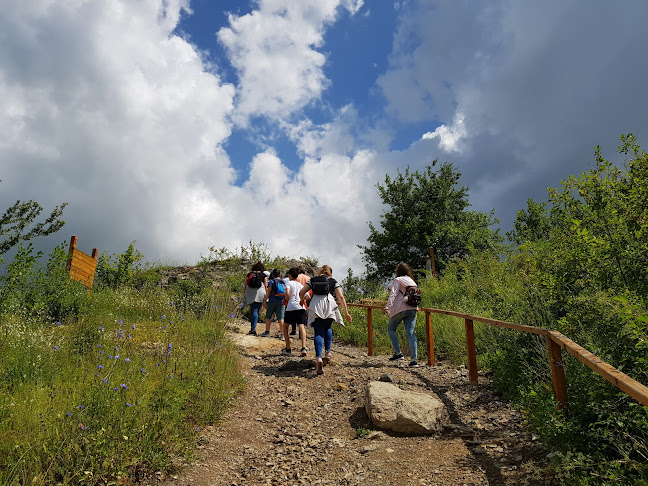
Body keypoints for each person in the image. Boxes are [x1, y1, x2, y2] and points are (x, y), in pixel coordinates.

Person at [299, 265, 352, 375]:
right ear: (330, 273)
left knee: (318, 331)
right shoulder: (332, 281)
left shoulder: (313, 280)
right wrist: (346, 313)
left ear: (320, 272)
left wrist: (301, 301)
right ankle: (327, 352)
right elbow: (341, 297)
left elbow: (302, 292)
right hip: (329, 304)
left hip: (316, 305)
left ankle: (318, 357)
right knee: (328, 327)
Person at [383, 262, 419, 367]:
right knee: (411, 333)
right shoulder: (412, 281)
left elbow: (394, 293)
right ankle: (414, 360)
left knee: (391, 329)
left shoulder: (398, 280)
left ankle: (398, 353)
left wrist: (387, 306)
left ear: (397, 271)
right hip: (412, 308)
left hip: (400, 309)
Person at [284, 268, 308, 356]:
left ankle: (288, 348)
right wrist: (302, 300)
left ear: (290, 275)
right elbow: (307, 296)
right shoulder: (300, 285)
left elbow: (287, 294)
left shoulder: (288, 283)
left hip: (291, 306)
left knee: (285, 326)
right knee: (301, 326)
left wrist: (287, 299)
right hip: (301, 307)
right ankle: (303, 347)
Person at [261, 269, 288, 346]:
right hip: (281, 301)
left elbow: (269, 291)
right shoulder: (283, 282)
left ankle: (267, 331)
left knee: (268, 316)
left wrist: (265, 299)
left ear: (272, 275)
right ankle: (282, 334)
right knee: (281, 318)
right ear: (279, 274)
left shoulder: (271, 282)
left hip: (272, 300)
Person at [243, 261, 268, 335]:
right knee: (256, 310)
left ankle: (252, 328)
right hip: (260, 292)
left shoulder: (249, 274)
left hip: (250, 292)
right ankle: (253, 328)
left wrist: (244, 294)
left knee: (252, 309)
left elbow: (246, 284)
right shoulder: (263, 275)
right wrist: (266, 296)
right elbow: (266, 286)